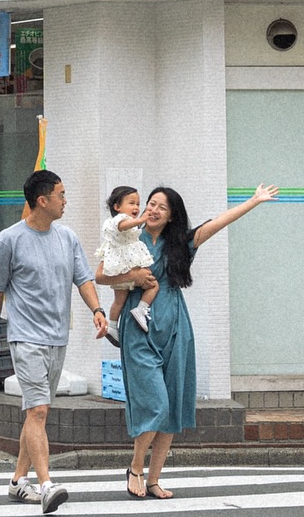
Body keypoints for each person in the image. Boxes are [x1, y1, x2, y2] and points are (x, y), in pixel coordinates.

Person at [104, 182, 277, 500]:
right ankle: (135, 469)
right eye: (150, 204)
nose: (153, 210)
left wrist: (253, 201)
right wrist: (132, 280)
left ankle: (154, 479)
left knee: (172, 405)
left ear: (171, 216)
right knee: (156, 402)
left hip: (175, 327)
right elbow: (100, 274)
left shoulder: (180, 243)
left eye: (161, 207)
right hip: (138, 325)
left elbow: (216, 223)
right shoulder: (130, 236)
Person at [0, 168, 109, 514]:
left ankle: (16, 483)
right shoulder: (9, 239)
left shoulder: (66, 237)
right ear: (43, 200)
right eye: (61, 195)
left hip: (56, 337)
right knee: (38, 409)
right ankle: (46, 484)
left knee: (35, 413)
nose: (65, 201)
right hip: (25, 337)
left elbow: (83, 278)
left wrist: (97, 309)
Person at [95, 186, 158, 346]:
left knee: (119, 301)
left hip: (119, 267)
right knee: (153, 285)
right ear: (117, 207)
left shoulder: (122, 225)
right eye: (131, 203)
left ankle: (113, 326)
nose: (136, 207)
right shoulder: (120, 220)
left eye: (138, 203)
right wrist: (141, 220)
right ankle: (141, 309)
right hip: (124, 267)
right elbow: (123, 225)